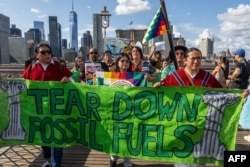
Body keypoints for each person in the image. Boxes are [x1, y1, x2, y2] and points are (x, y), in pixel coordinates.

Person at [154, 47, 222, 167]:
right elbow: (162, 92)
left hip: (200, 124)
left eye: (199, 58)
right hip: (180, 125)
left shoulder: (207, 78)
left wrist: (239, 95)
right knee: (182, 157)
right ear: (185, 60)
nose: (196, 61)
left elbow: (222, 93)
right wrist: (158, 86)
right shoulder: (175, 77)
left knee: (197, 156)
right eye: (193, 58)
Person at [22, 42, 73, 167]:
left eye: (48, 52)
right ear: (37, 55)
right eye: (43, 52)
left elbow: (73, 80)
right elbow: (22, 83)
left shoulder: (59, 66)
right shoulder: (32, 67)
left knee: (56, 136)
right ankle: (48, 159)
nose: (47, 54)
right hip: (38, 109)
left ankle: (56, 164)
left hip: (56, 109)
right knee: (43, 134)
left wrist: (67, 81)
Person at [110, 53, 132, 167]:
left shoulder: (135, 76)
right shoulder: (110, 76)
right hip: (115, 113)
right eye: (122, 61)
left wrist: (146, 79)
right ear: (117, 63)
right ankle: (113, 158)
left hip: (130, 113)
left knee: (129, 137)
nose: (125, 63)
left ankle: (127, 162)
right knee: (116, 137)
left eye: (127, 61)